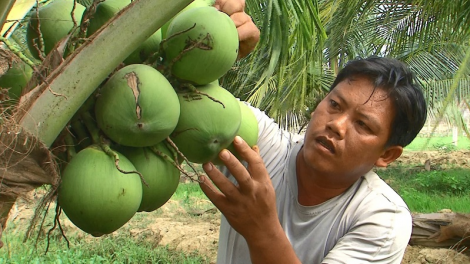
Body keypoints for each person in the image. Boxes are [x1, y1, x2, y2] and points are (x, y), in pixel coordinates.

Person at [208, 1, 428, 263]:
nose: (337, 124)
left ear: (388, 155)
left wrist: (261, 229)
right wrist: (216, 44)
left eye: (363, 125)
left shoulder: (381, 219)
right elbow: (191, 103)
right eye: (334, 105)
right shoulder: (261, 145)